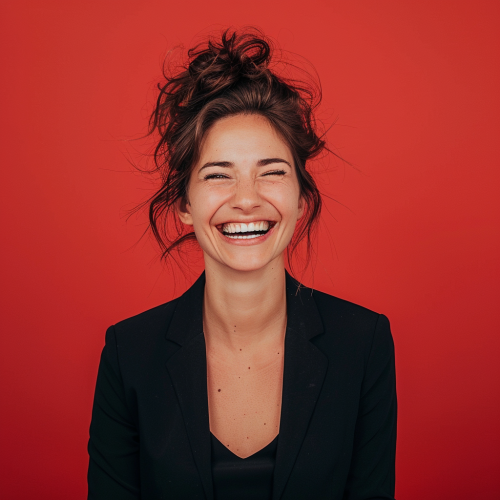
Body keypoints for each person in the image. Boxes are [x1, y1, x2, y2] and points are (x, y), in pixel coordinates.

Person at [87, 28, 397, 500]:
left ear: (300, 197)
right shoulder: (129, 353)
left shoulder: (364, 343)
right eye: (218, 175)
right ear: (185, 203)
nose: (247, 200)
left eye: (272, 172)